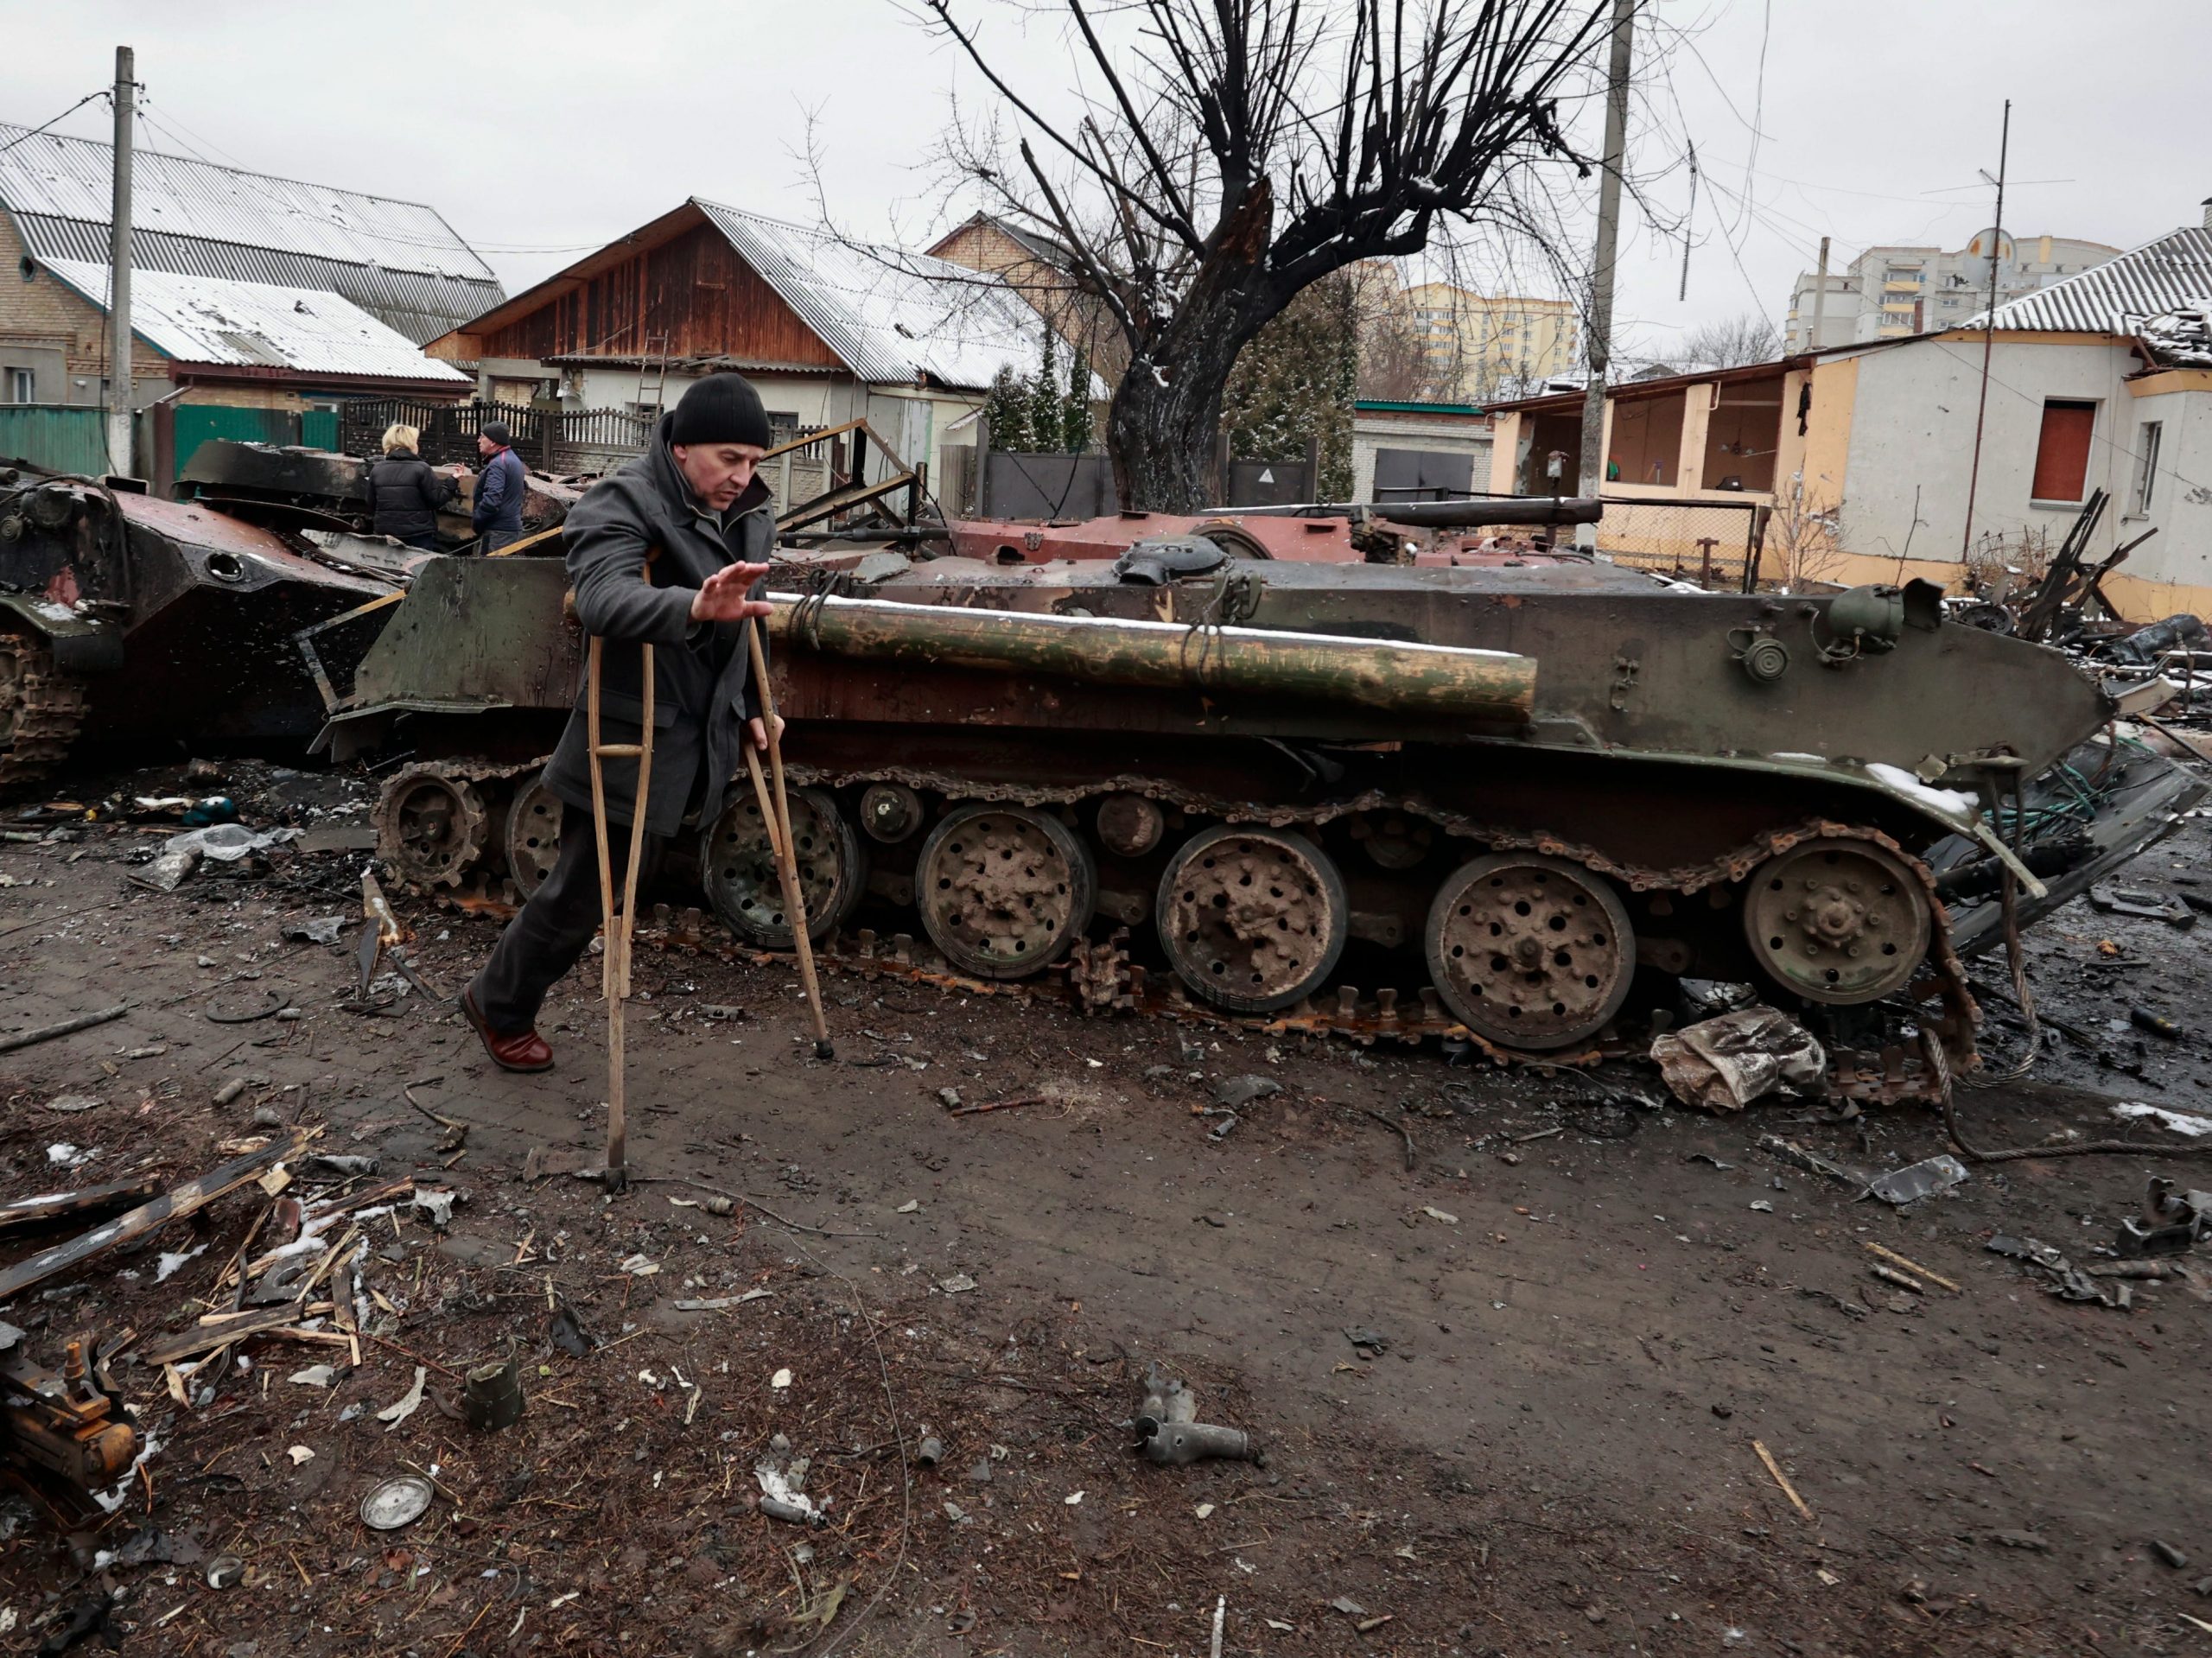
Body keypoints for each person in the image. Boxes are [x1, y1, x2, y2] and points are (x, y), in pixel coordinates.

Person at [461, 373, 779, 1071]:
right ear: (683, 444)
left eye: (756, 461)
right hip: (631, 736)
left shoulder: (752, 510)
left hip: (703, 733)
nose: (743, 476)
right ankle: (498, 1002)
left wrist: (757, 705)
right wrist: (692, 607)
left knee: (613, 889)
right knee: (583, 892)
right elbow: (602, 598)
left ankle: (501, 996)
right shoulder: (625, 499)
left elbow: (749, 619)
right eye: (730, 458)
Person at [366, 423, 457, 550]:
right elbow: (436, 500)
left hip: (386, 532)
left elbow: (371, 503)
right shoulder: (422, 468)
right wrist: (452, 481)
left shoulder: (377, 469)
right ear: (410, 444)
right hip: (417, 533)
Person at [472, 421, 529, 552]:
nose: (479, 441)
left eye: (482, 437)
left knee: (489, 571)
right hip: (510, 530)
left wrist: (477, 522)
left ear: (493, 442)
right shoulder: (512, 459)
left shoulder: (498, 464)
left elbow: (492, 500)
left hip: (498, 533)